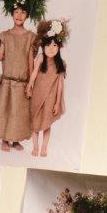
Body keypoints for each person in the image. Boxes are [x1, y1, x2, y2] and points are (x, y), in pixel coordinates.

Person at [0, 0, 49, 153]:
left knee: (19, 113)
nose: (19, 15)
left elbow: (30, 62)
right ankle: (5, 139)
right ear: (12, 13)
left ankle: (16, 140)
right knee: (5, 111)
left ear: (27, 16)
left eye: (23, 12)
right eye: (16, 12)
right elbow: (0, 56)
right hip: (7, 82)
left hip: (22, 83)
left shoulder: (30, 37)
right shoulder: (5, 35)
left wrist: (31, 82)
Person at [26, 18, 68, 158]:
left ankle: (44, 147)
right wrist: (29, 86)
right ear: (43, 46)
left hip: (50, 97)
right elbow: (34, 74)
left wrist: (57, 102)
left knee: (46, 123)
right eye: (48, 45)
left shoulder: (61, 63)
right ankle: (35, 146)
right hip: (37, 95)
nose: (51, 48)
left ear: (59, 47)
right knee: (35, 122)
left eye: (55, 45)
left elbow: (60, 84)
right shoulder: (41, 58)